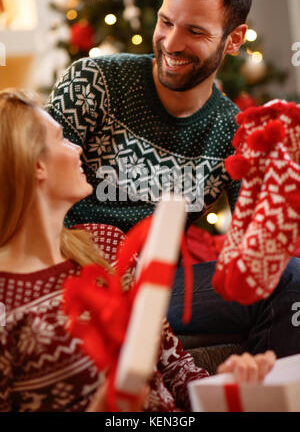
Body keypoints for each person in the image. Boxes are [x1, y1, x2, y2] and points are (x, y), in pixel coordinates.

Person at [46, 0, 300, 358]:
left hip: (156, 289)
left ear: (233, 40)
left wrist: (283, 171)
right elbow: (28, 181)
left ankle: (250, 389)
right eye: (166, 21)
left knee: (291, 280)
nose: (171, 42)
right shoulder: (93, 82)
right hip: (67, 278)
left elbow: (255, 252)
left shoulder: (234, 133)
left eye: (195, 31)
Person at [0, 89, 276, 412]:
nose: (77, 149)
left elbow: (175, 367)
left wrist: (227, 390)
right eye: (62, 139)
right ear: (36, 167)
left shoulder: (106, 244)